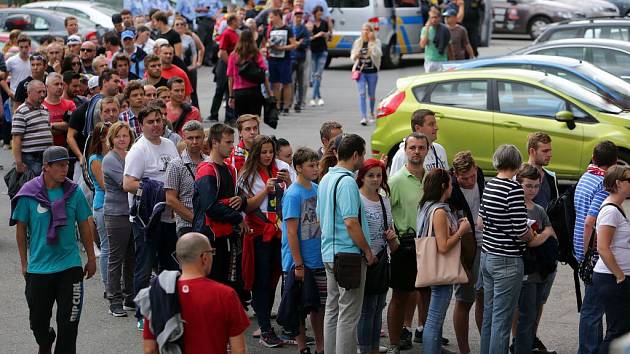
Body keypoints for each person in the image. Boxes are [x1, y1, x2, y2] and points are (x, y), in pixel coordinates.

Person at [11, 146, 95, 354]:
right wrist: (24, 264)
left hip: (70, 267)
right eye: (59, 165)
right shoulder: (29, 193)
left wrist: (91, 257)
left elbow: (84, 225)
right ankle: (45, 341)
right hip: (39, 269)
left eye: (66, 164)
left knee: (69, 325)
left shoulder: (74, 192)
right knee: (38, 323)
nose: (65, 169)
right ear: (46, 167)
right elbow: (21, 229)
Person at [316, 133, 377, 354]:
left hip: (329, 253)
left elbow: (320, 218)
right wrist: (367, 250)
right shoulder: (348, 182)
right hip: (349, 255)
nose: (363, 159)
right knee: (349, 315)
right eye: (362, 154)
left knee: (333, 310)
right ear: (354, 155)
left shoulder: (325, 179)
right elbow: (351, 222)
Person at [140, 233, 249, 354]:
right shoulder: (226, 294)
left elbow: (149, 349)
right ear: (204, 257)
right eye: (212, 252)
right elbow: (239, 349)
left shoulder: (158, 293)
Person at [122, 104, 180, 331]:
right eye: (150, 122)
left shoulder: (169, 145)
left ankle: (167, 308)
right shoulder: (139, 150)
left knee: (170, 265)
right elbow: (127, 184)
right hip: (146, 219)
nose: (156, 125)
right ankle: (142, 313)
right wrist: (150, 191)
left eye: (159, 120)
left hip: (169, 216)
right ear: (141, 125)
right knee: (144, 267)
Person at [239, 135, 294, 347]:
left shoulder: (281, 166)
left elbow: (293, 195)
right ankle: (264, 328)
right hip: (259, 232)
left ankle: (268, 325)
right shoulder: (247, 174)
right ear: (255, 153)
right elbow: (247, 206)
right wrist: (265, 190)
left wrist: (288, 182)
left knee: (273, 279)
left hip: (280, 232)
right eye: (263, 152)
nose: (268, 156)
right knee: (260, 281)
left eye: (270, 151)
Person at [479, 144, 533, 354]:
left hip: (488, 255)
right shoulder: (513, 190)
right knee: (502, 321)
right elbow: (521, 230)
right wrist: (532, 235)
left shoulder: (490, 184)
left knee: (489, 317)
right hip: (508, 259)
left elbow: (480, 222)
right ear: (517, 164)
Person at [192, 123, 249, 303]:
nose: (232, 146)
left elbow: (234, 197)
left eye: (232, 142)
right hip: (209, 237)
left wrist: (241, 200)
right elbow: (210, 206)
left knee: (226, 283)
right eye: (228, 142)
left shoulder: (229, 168)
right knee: (211, 284)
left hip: (226, 236)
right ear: (215, 143)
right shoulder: (207, 170)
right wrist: (237, 217)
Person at [416, 168, 470, 354]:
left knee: (433, 317)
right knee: (434, 319)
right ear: (443, 186)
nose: (452, 187)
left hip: (433, 268)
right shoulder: (439, 211)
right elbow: (444, 246)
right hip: (441, 271)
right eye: (450, 183)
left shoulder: (426, 206)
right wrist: (462, 231)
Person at [386, 132, 429, 353]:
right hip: (406, 245)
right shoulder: (395, 181)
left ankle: (429, 340)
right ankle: (394, 343)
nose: (417, 152)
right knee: (401, 296)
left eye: (421, 148)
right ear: (405, 151)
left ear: (427, 150)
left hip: (429, 245)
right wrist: (393, 242)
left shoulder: (432, 179)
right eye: (412, 148)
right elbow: (385, 212)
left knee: (427, 295)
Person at [280, 147, 325, 354]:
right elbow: (291, 232)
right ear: (298, 168)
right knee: (298, 306)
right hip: (298, 260)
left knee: (319, 306)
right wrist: (298, 264)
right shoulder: (292, 194)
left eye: (317, 164)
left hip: (318, 257)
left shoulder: (317, 189)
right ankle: (302, 346)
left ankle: (321, 346)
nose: (315, 169)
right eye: (311, 165)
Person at [575, 140, 618, 354]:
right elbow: (590, 221)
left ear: (593, 158)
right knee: (592, 310)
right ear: (615, 162)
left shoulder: (586, 176)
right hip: (593, 254)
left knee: (592, 308)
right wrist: (587, 256)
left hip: (581, 250)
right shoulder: (603, 184)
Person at [512, 164, 558, 354]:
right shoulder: (518, 207)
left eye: (536, 186)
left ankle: (528, 346)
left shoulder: (538, 209)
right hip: (526, 271)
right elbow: (530, 241)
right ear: (519, 184)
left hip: (542, 268)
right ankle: (521, 348)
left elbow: (551, 233)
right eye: (528, 186)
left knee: (534, 313)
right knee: (526, 314)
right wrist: (543, 235)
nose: (533, 190)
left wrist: (543, 235)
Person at [356, 158, 398, 354]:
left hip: (381, 258)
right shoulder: (357, 199)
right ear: (362, 177)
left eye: (379, 175)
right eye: (370, 175)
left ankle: (372, 346)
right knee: (367, 308)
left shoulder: (384, 200)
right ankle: (364, 347)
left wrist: (391, 237)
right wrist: (366, 251)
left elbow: (390, 230)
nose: (375, 179)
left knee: (379, 305)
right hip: (364, 259)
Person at [448, 151, 485, 354]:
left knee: (483, 297)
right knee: (464, 299)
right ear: (455, 174)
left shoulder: (479, 175)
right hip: (465, 249)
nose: (470, 181)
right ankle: (464, 350)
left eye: (472, 176)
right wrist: (463, 263)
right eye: (464, 178)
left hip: (486, 244)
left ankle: (487, 344)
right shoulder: (451, 190)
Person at [525, 132, 559, 353]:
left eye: (550, 150)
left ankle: (532, 337)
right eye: (544, 151)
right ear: (532, 151)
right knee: (525, 302)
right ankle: (520, 339)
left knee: (540, 299)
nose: (549, 154)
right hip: (528, 249)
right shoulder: (522, 177)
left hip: (548, 249)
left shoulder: (551, 177)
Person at [592, 165, 630, 354]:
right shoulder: (611, 211)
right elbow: (603, 248)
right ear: (618, 183)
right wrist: (621, 276)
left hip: (616, 276)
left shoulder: (618, 207)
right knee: (617, 331)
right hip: (611, 278)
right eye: (629, 180)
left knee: (622, 330)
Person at [102, 122, 135, 317]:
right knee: (116, 258)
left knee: (132, 256)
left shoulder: (131, 154)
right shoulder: (109, 159)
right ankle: (114, 299)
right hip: (116, 213)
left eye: (125, 135)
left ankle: (129, 296)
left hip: (132, 212)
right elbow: (125, 185)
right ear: (112, 139)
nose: (122, 139)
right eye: (118, 136)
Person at [165, 120, 207, 236]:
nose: (194, 142)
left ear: (203, 137)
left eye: (198, 137)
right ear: (183, 138)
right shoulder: (175, 165)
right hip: (187, 226)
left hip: (210, 224)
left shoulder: (210, 162)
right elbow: (170, 199)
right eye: (190, 138)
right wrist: (195, 220)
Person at [87, 122, 110, 294]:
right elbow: (103, 185)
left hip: (117, 205)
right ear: (101, 138)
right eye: (111, 136)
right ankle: (107, 284)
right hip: (102, 205)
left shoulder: (116, 155)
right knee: (107, 246)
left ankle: (118, 281)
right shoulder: (95, 159)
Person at [390, 109, 449, 175]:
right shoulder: (402, 155)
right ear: (418, 128)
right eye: (431, 124)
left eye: (435, 124)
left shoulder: (440, 149)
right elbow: (394, 183)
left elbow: (447, 177)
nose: (436, 127)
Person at [12, 80, 52, 176]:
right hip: (31, 157)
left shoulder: (45, 109)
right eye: (39, 92)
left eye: (44, 91)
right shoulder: (21, 111)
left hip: (46, 155)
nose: (42, 94)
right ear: (29, 93)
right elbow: (16, 138)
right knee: (36, 185)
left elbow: (48, 131)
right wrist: (18, 162)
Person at [227, 30, 270, 118]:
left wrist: (231, 96)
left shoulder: (233, 55)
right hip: (254, 90)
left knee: (242, 121)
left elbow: (230, 77)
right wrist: (269, 93)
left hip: (239, 92)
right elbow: (263, 75)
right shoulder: (256, 54)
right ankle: (255, 132)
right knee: (254, 120)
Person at [210, 14, 240, 123]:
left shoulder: (235, 33)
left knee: (229, 91)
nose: (240, 22)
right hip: (224, 65)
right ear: (232, 22)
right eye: (238, 20)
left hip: (229, 65)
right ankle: (214, 114)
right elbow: (222, 51)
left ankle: (229, 116)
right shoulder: (227, 33)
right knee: (221, 90)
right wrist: (230, 64)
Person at [351, 23, 381, 126]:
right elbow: (352, 56)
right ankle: (363, 116)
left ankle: (371, 113)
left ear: (371, 31)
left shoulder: (376, 42)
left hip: (372, 72)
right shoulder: (358, 42)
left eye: (368, 30)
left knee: (371, 95)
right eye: (363, 30)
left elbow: (378, 54)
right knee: (362, 94)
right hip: (360, 71)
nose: (365, 32)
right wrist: (356, 55)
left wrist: (372, 43)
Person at [174, 17, 203, 108]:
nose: (179, 26)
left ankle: (196, 112)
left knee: (192, 91)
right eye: (177, 24)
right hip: (176, 69)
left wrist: (194, 65)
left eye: (181, 24)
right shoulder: (172, 38)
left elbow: (194, 53)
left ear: (185, 26)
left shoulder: (189, 38)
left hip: (188, 68)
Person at [43, 73, 76, 148]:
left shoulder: (70, 104)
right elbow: (41, 129)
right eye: (56, 84)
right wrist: (63, 127)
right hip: (46, 148)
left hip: (66, 148)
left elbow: (72, 127)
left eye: (61, 84)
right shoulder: (40, 105)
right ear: (46, 87)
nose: (60, 87)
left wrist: (50, 125)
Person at [420, 7, 452, 73]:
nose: (434, 20)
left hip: (443, 61)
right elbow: (422, 45)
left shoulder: (445, 29)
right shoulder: (425, 29)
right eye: (432, 17)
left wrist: (452, 61)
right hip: (430, 61)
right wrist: (427, 29)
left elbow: (449, 46)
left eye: (436, 17)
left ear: (439, 18)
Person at [290, 8, 310, 113]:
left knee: (300, 81)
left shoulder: (304, 29)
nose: (298, 18)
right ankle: (290, 101)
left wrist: (298, 43)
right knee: (290, 81)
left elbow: (307, 42)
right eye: (297, 16)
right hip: (291, 57)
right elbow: (289, 42)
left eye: (300, 16)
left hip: (301, 58)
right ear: (293, 17)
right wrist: (297, 42)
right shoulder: (290, 28)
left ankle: (299, 102)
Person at [309, 6, 329, 107]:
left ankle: (313, 98)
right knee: (314, 75)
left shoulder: (324, 23)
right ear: (315, 13)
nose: (320, 14)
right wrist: (317, 35)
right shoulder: (310, 23)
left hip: (323, 50)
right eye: (318, 12)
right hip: (313, 51)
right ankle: (319, 97)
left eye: (321, 12)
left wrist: (326, 35)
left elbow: (329, 36)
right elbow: (308, 38)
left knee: (318, 74)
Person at [6, 35, 32, 103]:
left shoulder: (33, 60)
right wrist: (9, 93)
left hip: (30, 97)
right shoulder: (11, 61)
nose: (24, 49)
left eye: (26, 47)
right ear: (18, 47)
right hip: (15, 96)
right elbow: (2, 79)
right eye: (21, 47)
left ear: (29, 47)